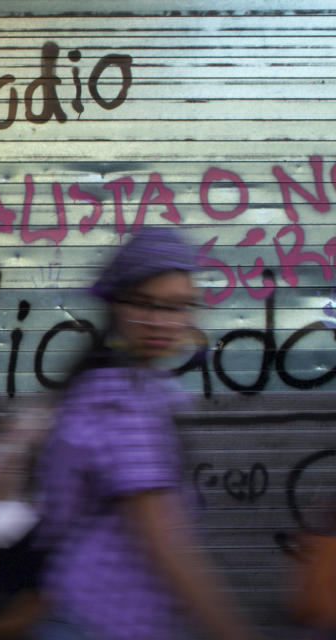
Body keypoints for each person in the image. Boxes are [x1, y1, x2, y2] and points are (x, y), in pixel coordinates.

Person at [30, 228, 257, 640]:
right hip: (101, 620)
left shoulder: (132, 383)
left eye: (177, 307)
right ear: (117, 305)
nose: (162, 322)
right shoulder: (119, 395)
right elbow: (165, 543)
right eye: (145, 304)